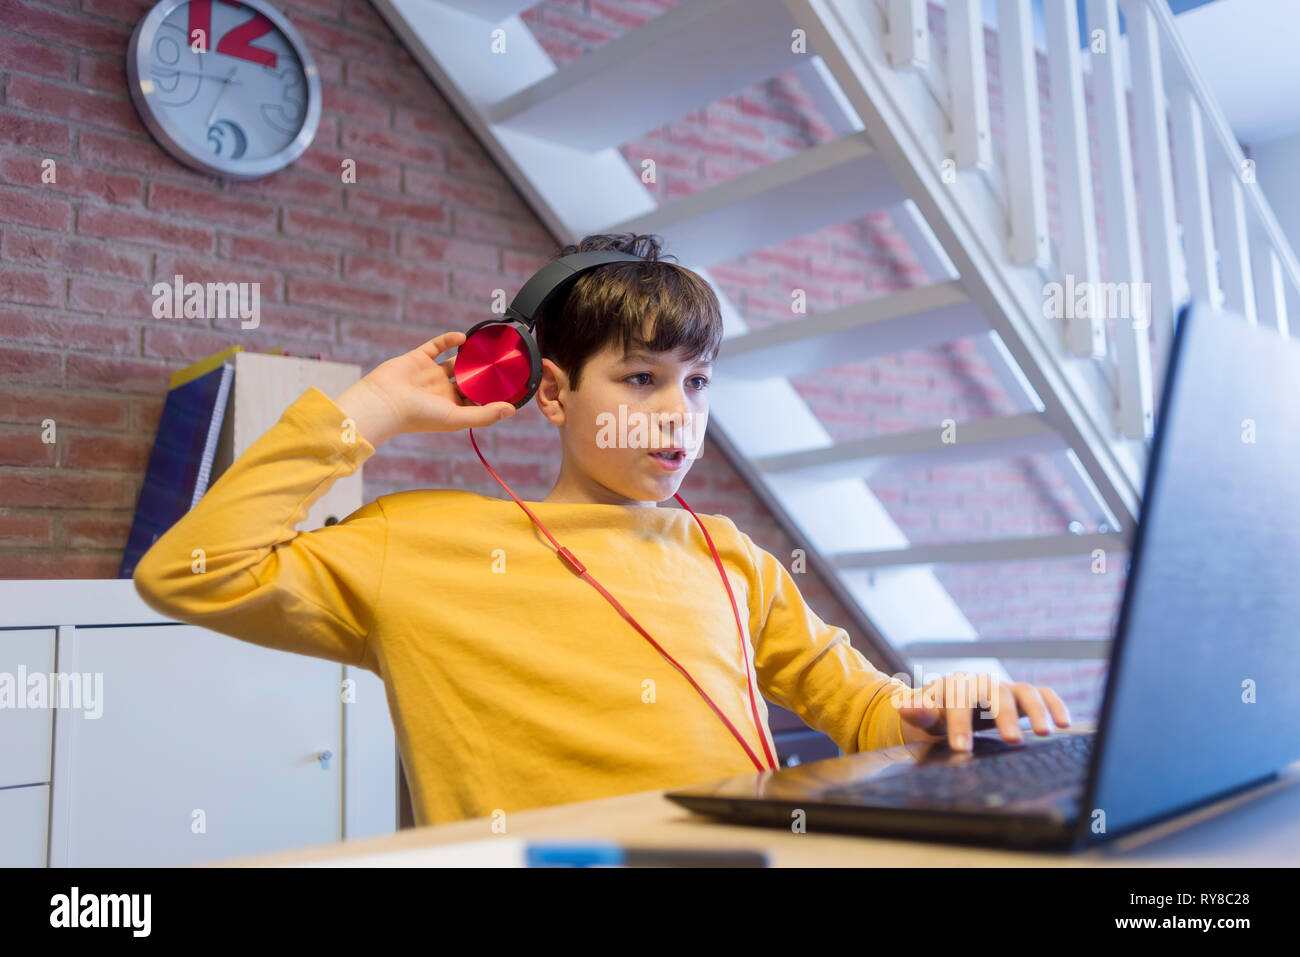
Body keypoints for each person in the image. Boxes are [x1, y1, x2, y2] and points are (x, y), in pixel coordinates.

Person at [132, 232, 1070, 829]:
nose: (678, 416)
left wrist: (945, 707)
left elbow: (859, 707)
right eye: (640, 378)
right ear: (550, 392)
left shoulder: (728, 555)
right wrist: (369, 408)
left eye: (696, 383)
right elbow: (190, 571)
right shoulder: (414, 543)